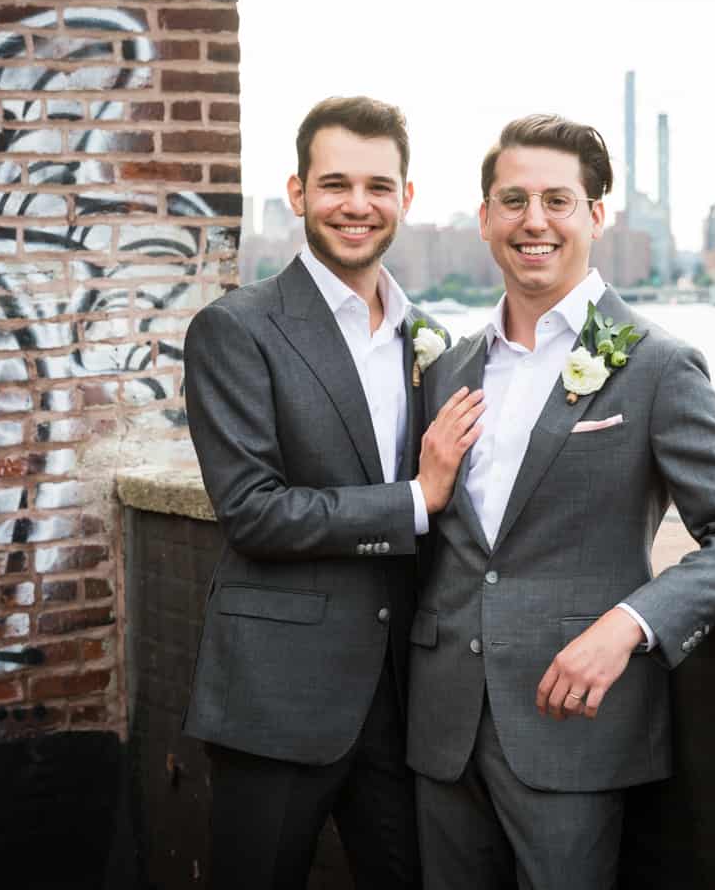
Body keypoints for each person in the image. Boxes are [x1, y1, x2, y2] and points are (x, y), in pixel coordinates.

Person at [406, 114, 715, 888]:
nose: (535, 221)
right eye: (514, 200)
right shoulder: (448, 371)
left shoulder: (657, 366)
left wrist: (629, 625)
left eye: (558, 200)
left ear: (596, 216)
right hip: (443, 725)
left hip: (574, 725)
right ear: (484, 218)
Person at [181, 96, 484, 889]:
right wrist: (416, 499)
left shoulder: (430, 337)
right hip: (279, 692)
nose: (358, 205)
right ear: (298, 192)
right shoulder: (236, 329)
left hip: (404, 694)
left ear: (405, 198)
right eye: (336, 184)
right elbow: (252, 512)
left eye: (378, 186)